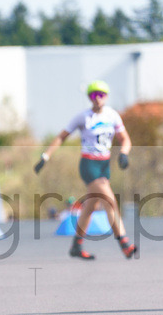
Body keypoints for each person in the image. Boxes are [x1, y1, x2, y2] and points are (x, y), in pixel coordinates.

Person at [34, 80, 136, 260]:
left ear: (106, 96)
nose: (97, 99)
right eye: (93, 95)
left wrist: (124, 153)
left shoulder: (112, 116)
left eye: (101, 95)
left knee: (91, 206)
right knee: (109, 200)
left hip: (104, 165)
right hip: (89, 164)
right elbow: (61, 137)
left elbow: (125, 139)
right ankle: (124, 243)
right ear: (89, 98)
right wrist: (45, 156)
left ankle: (76, 245)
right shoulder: (83, 117)